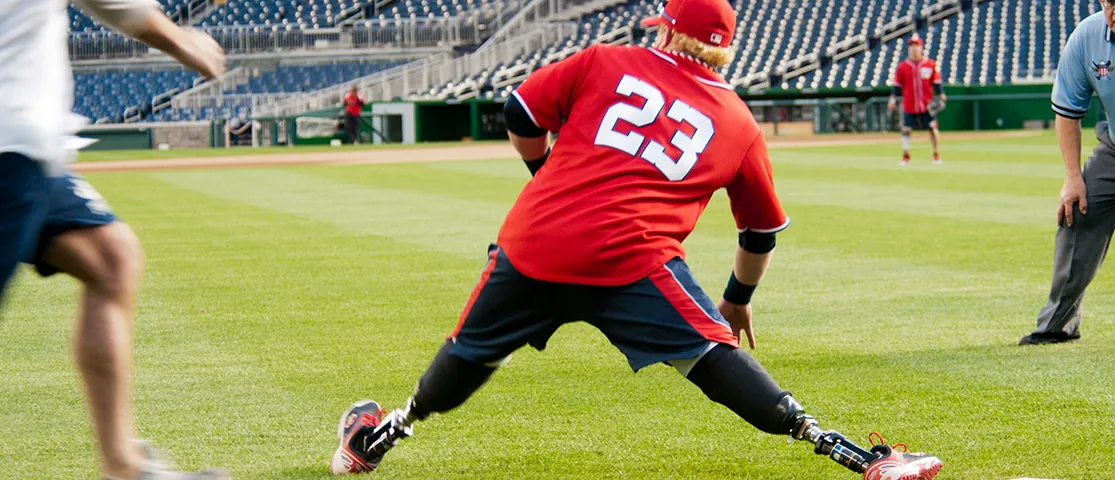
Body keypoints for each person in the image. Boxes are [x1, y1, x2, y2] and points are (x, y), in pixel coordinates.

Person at [329, 0, 944, 479]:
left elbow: (519, 114)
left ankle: (373, 443)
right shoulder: (738, 122)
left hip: (538, 241)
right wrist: (734, 299)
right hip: (633, 259)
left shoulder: (605, 59)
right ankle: (857, 458)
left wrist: (545, 177)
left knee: (471, 354)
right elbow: (760, 231)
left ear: (668, 31)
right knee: (711, 356)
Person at [0, 1, 228, 478]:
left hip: (26, 145)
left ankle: (123, 465)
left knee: (111, 256)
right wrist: (181, 39)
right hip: (9, 150)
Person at [1024, 2, 1115, 345]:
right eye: (1109, 2)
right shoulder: (1088, 36)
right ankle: (1057, 325)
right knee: (1077, 210)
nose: (1114, 11)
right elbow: (1068, 110)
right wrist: (1073, 177)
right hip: (1114, 150)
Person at [889, 35, 946, 165]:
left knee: (932, 128)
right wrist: (892, 100)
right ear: (908, 49)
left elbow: (937, 82)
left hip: (927, 104)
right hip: (909, 104)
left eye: (917, 46)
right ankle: (906, 154)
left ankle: (936, 154)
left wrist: (941, 94)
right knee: (906, 129)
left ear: (921, 48)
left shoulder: (930, 64)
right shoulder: (903, 66)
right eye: (912, 46)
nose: (914, 49)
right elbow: (897, 86)